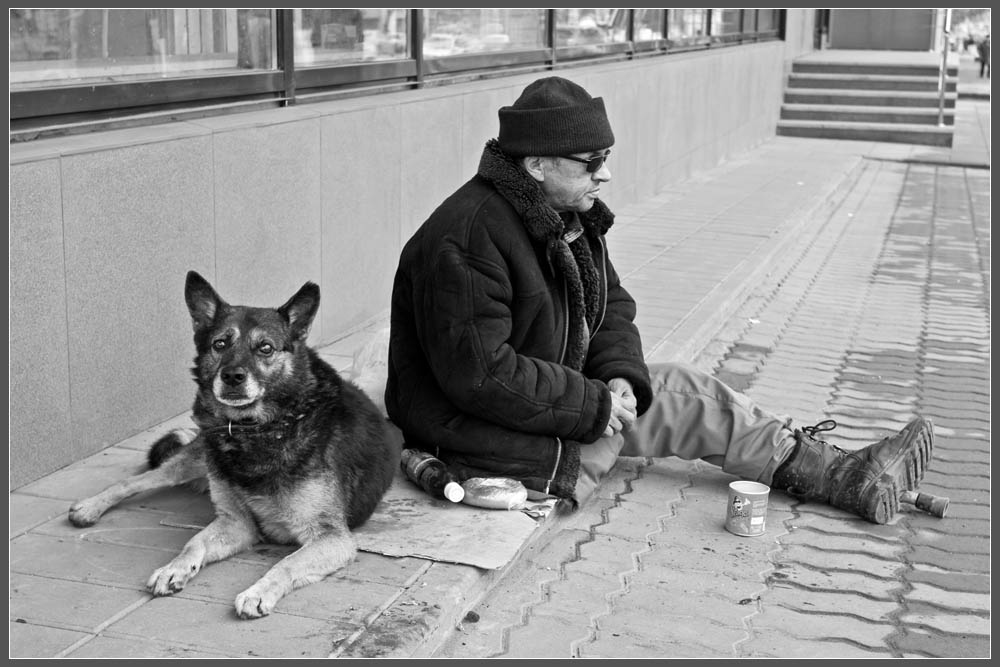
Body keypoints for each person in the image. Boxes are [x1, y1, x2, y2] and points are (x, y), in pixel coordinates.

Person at [384, 76, 934, 524]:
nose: (605, 173)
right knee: (657, 411)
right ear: (535, 165)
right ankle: (842, 476)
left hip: (545, 397)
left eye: (606, 155)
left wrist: (620, 378)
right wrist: (595, 407)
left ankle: (846, 477)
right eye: (590, 160)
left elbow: (610, 307)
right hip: (469, 426)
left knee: (680, 392)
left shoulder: (564, 216)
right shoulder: (466, 236)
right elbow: (480, 375)